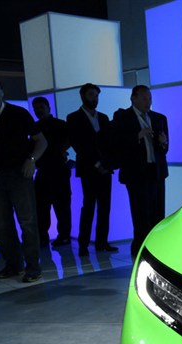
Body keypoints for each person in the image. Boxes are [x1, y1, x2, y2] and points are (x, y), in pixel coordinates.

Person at [0, 75, 47, 282]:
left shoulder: (18, 113)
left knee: (27, 222)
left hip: (19, 174)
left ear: (2, 92)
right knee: (2, 225)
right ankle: (13, 264)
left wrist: (32, 160)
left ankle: (33, 267)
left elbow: (41, 141)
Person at [112, 85, 169, 258]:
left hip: (157, 171)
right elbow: (117, 144)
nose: (148, 101)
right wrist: (137, 135)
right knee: (141, 215)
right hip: (136, 174)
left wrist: (163, 142)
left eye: (149, 98)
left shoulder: (159, 118)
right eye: (144, 98)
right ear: (133, 98)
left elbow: (165, 150)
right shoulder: (123, 117)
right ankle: (139, 252)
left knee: (158, 213)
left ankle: (158, 250)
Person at [67, 83, 117, 257]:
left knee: (105, 206)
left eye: (96, 96)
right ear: (82, 96)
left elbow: (109, 143)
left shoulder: (103, 117)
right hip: (89, 168)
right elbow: (79, 145)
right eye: (91, 95)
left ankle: (102, 242)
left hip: (105, 168)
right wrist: (97, 164)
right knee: (88, 206)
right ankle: (84, 244)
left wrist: (107, 164)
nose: (94, 99)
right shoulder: (73, 118)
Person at [32, 97, 71, 249]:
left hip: (51, 170)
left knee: (52, 207)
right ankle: (60, 236)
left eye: (40, 107)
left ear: (48, 107)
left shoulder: (39, 127)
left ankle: (48, 237)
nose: (38, 111)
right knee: (52, 207)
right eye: (36, 108)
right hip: (53, 169)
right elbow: (69, 141)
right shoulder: (59, 124)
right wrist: (62, 151)